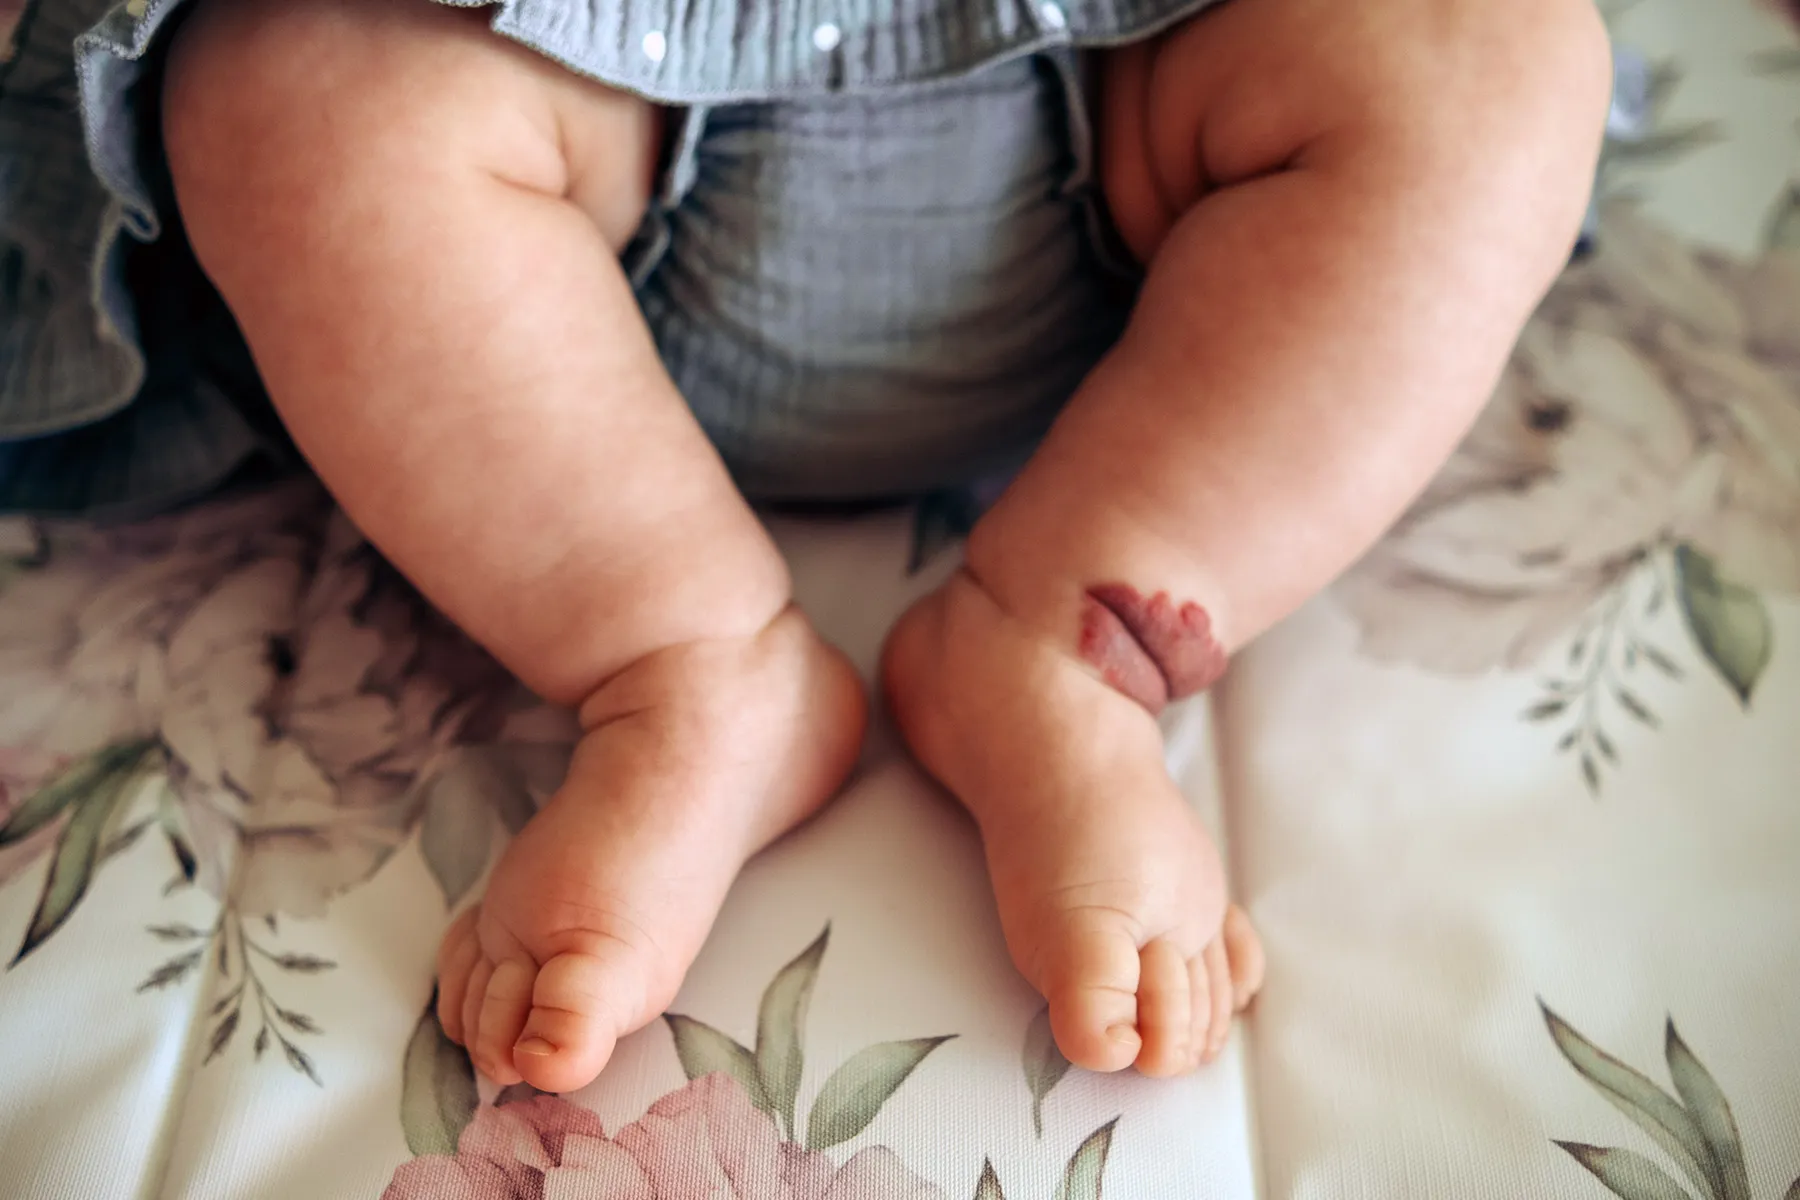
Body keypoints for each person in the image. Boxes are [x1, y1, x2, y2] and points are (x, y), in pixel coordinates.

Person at [0, 0, 1610, 1092]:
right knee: (286, 71)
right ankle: (680, 654)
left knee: (1498, 48)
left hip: (1134, 97)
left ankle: (1069, 640)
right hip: (572, 113)